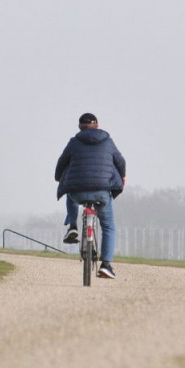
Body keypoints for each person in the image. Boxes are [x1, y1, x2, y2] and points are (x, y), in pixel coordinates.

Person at [55, 113, 127, 279]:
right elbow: (120, 161)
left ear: (80, 127)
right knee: (108, 226)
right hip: (102, 192)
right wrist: (122, 176)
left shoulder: (73, 142)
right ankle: (106, 265)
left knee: (69, 189)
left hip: (78, 193)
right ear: (97, 125)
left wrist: (59, 177)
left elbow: (61, 163)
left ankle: (73, 225)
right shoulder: (108, 141)